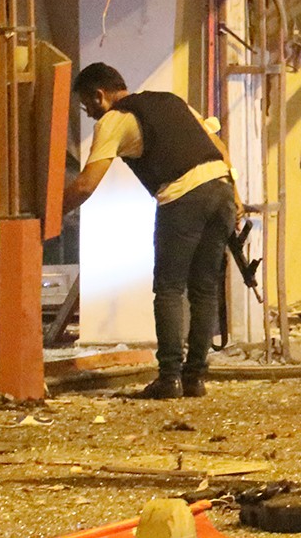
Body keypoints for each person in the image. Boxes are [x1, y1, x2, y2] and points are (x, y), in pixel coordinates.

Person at [63, 63, 239, 400]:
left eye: (87, 105)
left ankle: (169, 378)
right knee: (205, 288)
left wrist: (51, 217)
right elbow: (219, 148)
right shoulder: (173, 101)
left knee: (170, 288)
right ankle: (195, 378)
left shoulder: (114, 120)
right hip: (222, 191)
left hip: (182, 196)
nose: (89, 114)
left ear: (99, 95)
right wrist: (236, 197)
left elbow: (86, 185)